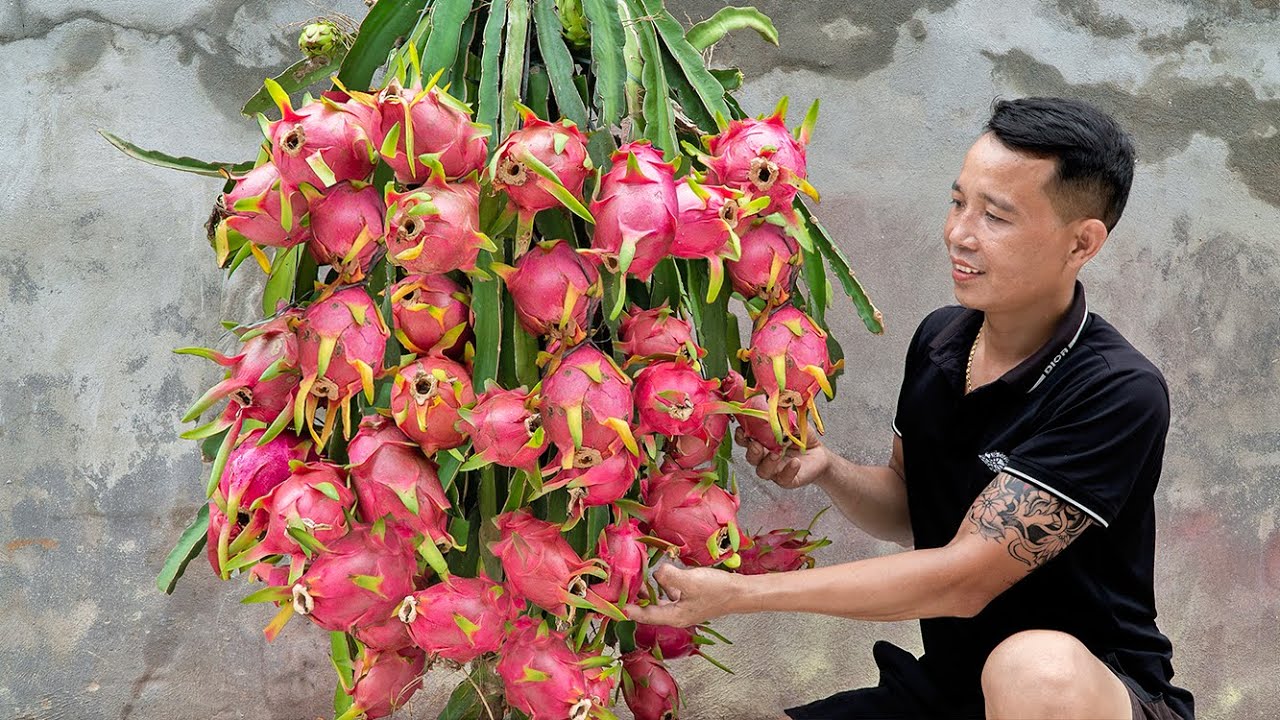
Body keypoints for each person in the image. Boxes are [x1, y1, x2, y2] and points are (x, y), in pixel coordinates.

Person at [623, 97, 1194, 720]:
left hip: (1085, 696)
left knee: (1034, 669)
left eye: (996, 216)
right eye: (958, 203)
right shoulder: (942, 340)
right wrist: (830, 468)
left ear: (1082, 242)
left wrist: (736, 594)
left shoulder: (1117, 391)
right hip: (949, 691)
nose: (960, 233)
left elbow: (963, 578)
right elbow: (908, 503)